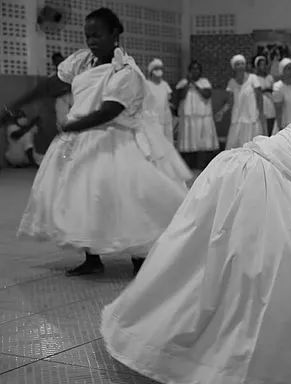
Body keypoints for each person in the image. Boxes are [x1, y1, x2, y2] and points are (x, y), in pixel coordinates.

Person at [101, 50, 291, 384]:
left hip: (242, 164)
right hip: (268, 178)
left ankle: (213, 328)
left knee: (230, 254)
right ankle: (261, 348)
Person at [0, 7, 187, 277]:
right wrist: (13, 107)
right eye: (87, 35)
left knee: (125, 197)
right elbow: (48, 87)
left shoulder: (126, 71)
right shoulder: (81, 62)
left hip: (114, 139)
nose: (91, 40)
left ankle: (140, 258)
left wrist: (72, 125)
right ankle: (91, 257)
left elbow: (109, 111)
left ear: (114, 34)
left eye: (97, 35)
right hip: (80, 140)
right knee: (81, 197)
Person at [174, 61, 219, 169]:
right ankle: (189, 167)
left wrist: (195, 85)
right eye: (193, 69)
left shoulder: (205, 82)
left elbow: (207, 95)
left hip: (202, 117)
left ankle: (201, 166)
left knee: (202, 143)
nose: (195, 71)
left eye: (197, 68)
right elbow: (180, 96)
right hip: (188, 118)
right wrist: (188, 83)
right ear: (189, 71)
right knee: (189, 143)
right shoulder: (183, 83)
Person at [215, 54, 265, 149]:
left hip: (252, 119)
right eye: (238, 64)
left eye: (242, 64)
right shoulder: (231, 83)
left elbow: (259, 98)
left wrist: (261, 115)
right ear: (234, 67)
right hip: (237, 120)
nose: (241, 66)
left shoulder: (253, 78)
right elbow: (230, 103)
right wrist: (221, 112)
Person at [145, 58, 174, 142]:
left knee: (166, 141)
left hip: (165, 118)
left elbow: (168, 100)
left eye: (160, 68)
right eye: (156, 69)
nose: (159, 71)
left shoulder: (165, 85)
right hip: (152, 118)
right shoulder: (146, 84)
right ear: (151, 71)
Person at [254, 55, 276, 136]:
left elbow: (274, 89)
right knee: (261, 125)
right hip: (260, 102)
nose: (263, 66)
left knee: (271, 121)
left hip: (270, 102)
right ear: (257, 66)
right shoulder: (255, 78)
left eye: (264, 64)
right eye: (261, 65)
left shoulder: (270, 77)